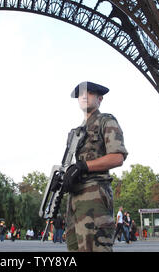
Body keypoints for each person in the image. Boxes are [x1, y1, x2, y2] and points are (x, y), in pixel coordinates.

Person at [62, 81, 128, 252]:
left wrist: (84, 166)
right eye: (81, 94)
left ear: (100, 99)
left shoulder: (106, 120)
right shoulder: (74, 132)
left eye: (89, 93)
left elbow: (117, 157)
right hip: (74, 199)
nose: (84, 96)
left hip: (95, 195)